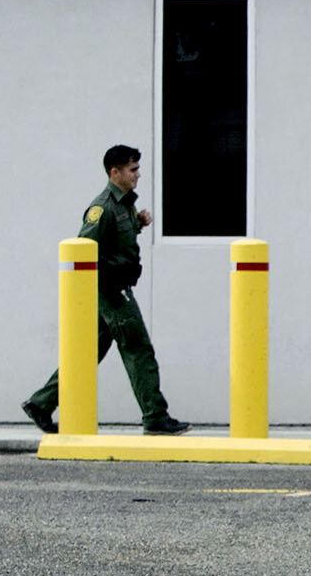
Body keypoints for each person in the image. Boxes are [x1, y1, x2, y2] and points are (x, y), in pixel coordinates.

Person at [22, 145, 189, 435]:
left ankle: (41, 403)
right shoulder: (102, 208)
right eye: (132, 169)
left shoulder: (124, 204)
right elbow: (83, 248)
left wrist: (136, 225)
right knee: (138, 350)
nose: (138, 174)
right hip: (112, 292)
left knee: (85, 354)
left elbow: (116, 241)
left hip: (113, 290)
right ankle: (155, 417)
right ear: (115, 172)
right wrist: (104, 286)